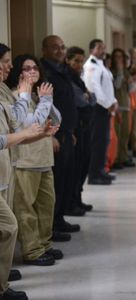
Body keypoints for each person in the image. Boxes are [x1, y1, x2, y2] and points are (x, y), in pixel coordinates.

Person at [5, 54, 63, 267]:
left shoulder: (39, 95)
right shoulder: (16, 96)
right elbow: (30, 125)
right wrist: (45, 101)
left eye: (34, 68)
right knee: (26, 210)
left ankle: (45, 244)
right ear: (18, 73)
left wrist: (47, 100)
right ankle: (32, 250)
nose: (32, 72)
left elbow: (56, 120)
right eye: (26, 68)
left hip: (44, 158)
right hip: (25, 161)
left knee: (47, 205)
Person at [0, 43, 45, 300]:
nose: (9, 67)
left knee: (6, 228)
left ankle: (2, 279)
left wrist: (33, 135)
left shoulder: (4, 89)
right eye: (5, 61)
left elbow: (14, 124)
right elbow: (11, 129)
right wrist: (26, 95)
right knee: (9, 226)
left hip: (5, 167)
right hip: (6, 165)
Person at [40, 35, 80, 241]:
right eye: (55, 47)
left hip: (66, 133)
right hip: (54, 135)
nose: (60, 51)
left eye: (62, 47)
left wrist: (70, 130)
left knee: (66, 178)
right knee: (55, 182)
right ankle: (51, 225)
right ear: (44, 49)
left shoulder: (63, 70)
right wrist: (51, 135)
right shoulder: (44, 72)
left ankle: (60, 218)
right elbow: (45, 106)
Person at [63, 46, 95, 214]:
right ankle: (71, 202)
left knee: (84, 164)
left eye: (81, 61)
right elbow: (82, 101)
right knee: (75, 167)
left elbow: (92, 98)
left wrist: (88, 97)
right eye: (76, 61)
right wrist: (87, 97)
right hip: (76, 125)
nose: (79, 65)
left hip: (84, 125)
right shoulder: (66, 76)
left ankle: (78, 198)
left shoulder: (78, 78)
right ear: (67, 60)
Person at [82, 39, 118, 185]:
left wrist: (113, 101)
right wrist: (107, 104)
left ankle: (101, 170)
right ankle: (94, 174)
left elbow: (107, 87)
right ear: (92, 50)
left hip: (105, 107)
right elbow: (93, 88)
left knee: (104, 141)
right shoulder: (90, 66)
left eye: (104, 48)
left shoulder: (101, 66)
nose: (103, 50)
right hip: (98, 107)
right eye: (99, 48)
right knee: (97, 141)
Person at [111, 48, 134, 169]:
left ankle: (124, 157)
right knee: (118, 133)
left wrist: (131, 82)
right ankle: (115, 158)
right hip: (116, 106)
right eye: (117, 56)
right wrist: (120, 72)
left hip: (126, 105)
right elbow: (117, 85)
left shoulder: (126, 71)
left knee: (125, 134)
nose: (119, 59)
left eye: (121, 57)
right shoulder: (112, 71)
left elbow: (131, 90)